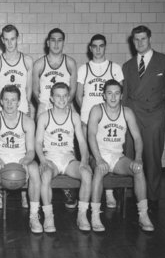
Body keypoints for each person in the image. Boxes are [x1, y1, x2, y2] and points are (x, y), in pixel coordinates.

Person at [122, 25, 165, 210]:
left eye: (143, 39)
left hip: (154, 116)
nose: (139, 42)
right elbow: (125, 96)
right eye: (136, 39)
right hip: (133, 116)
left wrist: (163, 113)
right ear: (132, 41)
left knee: (152, 158)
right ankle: (130, 195)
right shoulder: (128, 66)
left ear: (150, 39)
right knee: (130, 156)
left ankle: (153, 197)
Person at [88, 79, 154, 232]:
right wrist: (98, 159)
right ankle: (95, 216)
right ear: (103, 95)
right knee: (99, 170)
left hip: (117, 157)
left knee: (138, 169)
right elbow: (91, 135)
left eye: (116, 93)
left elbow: (137, 138)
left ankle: (143, 215)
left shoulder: (127, 112)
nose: (113, 97)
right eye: (109, 93)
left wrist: (138, 158)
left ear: (121, 95)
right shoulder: (97, 110)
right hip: (98, 154)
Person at [36, 82, 92, 233]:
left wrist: (85, 161)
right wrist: (42, 160)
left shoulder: (74, 116)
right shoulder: (44, 117)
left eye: (65, 96)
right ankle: (48, 217)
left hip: (68, 159)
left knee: (86, 173)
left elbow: (82, 141)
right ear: (52, 98)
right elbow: (38, 142)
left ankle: (82, 214)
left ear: (69, 97)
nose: (61, 99)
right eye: (58, 96)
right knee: (46, 175)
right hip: (51, 159)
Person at [0, 85, 42, 235]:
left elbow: (31, 150)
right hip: (1, 158)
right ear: (1, 101)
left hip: (21, 157)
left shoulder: (28, 121)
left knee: (35, 169)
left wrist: (26, 160)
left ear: (19, 102)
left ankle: (34, 215)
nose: (10, 104)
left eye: (13, 100)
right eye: (6, 100)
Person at [76, 34, 124, 209]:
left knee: (107, 155)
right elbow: (78, 95)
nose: (97, 49)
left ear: (105, 47)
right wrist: (89, 113)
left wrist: (106, 114)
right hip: (87, 120)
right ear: (90, 48)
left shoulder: (115, 68)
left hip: (107, 121)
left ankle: (109, 192)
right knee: (88, 158)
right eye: (94, 46)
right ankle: (86, 195)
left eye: (101, 46)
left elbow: (119, 94)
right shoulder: (84, 69)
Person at [32, 28, 78, 208]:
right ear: (48, 42)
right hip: (45, 107)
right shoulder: (39, 64)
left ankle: (68, 189)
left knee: (66, 148)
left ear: (63, 42)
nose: (56, 43)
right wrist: (46, 106)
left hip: (64, 108)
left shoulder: (70, 63)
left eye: (60, 40)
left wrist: (62, 106)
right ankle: (43, 189)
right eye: (53, 40)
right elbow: (36, 91)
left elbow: (72, 90)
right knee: (44, 150)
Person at [0, 24, 33, 209]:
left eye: (13, 38)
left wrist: (26, 111)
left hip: (21, 113)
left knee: (22, 153)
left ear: (18, 38)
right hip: (3, 112)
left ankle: (25, 194)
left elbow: (29, 90)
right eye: (6, 39)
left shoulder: (27, 61)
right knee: (2, 151)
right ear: (2, 40)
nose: (9, 43)